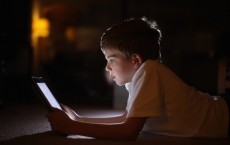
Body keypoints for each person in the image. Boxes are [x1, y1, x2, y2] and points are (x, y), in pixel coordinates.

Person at [47, 17, 229, 140]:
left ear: (135, 60)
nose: (107, 67)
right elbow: (127, 118)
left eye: (111, 60)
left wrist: (72, 128)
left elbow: (129, 132)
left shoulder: (150, 71)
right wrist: (79, 119)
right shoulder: (141, 76)